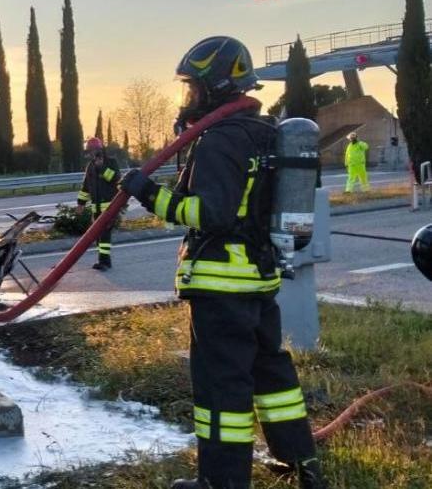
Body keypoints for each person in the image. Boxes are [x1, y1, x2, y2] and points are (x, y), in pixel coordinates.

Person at [117, 37, 326, 489]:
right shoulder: (265, 133)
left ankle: (221, 481)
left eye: (192, 88)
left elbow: (209, 213)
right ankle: (300, 461)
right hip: (258, 280)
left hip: (221, 286)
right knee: (270, 370)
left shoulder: (218, 142)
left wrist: (147, 193)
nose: (187, 97)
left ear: (213, 87)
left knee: (222, 387)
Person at [77, 137, 121, 270]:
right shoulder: (90, 166)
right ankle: (102, 260)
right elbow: (86, 187)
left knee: (104, 234)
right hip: (96, 208)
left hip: (109, 207)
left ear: (100, 149)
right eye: (90, 151)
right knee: (97, 234)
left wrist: (102, 168)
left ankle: (105, 262)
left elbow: (116, 179)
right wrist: (81, 203)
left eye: (93, 150)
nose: (92, 153)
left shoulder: (111, 162)